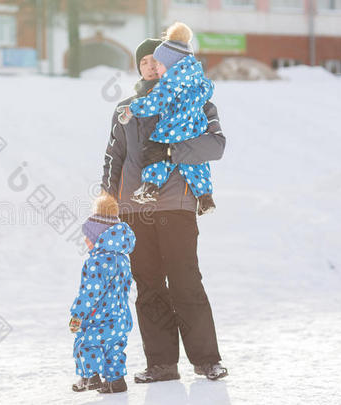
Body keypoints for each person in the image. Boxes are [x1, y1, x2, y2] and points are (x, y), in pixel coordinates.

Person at [99, 33, 228, 382]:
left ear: (169, 65)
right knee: (149, 285)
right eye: (144, 61)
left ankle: (206, 360)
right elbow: (115, 156)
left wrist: (171, 152)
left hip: (177, 204)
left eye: (156, 60)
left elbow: (215, 146)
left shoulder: (196, 101)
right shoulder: (125, 110)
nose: (150, 66)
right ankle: (161, 363)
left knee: (185, 280)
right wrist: (107, 203)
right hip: (133, 209)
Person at [117, 22, 216, 215]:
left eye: (159, 64)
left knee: (156, 150)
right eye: (146, 63)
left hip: (173, 128)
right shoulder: (197, 78)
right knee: (195, 163)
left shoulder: (170, 83)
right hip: (195, 129)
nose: (156, 68)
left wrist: (132, 109)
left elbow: (154, 103)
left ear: (172, 64)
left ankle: (150, 186)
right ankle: (205, 197)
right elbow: (207, 89)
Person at [69, 193, 136, 393]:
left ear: (99, 237)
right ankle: (116, 382)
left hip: (100, 319)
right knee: (114, 349)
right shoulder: (122, 259)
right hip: (121, 319)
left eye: (88, 237)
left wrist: (77, 314)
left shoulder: (96, 262)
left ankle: (90, 378)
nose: (86, 241)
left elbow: (89, 293)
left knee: (86, 344)